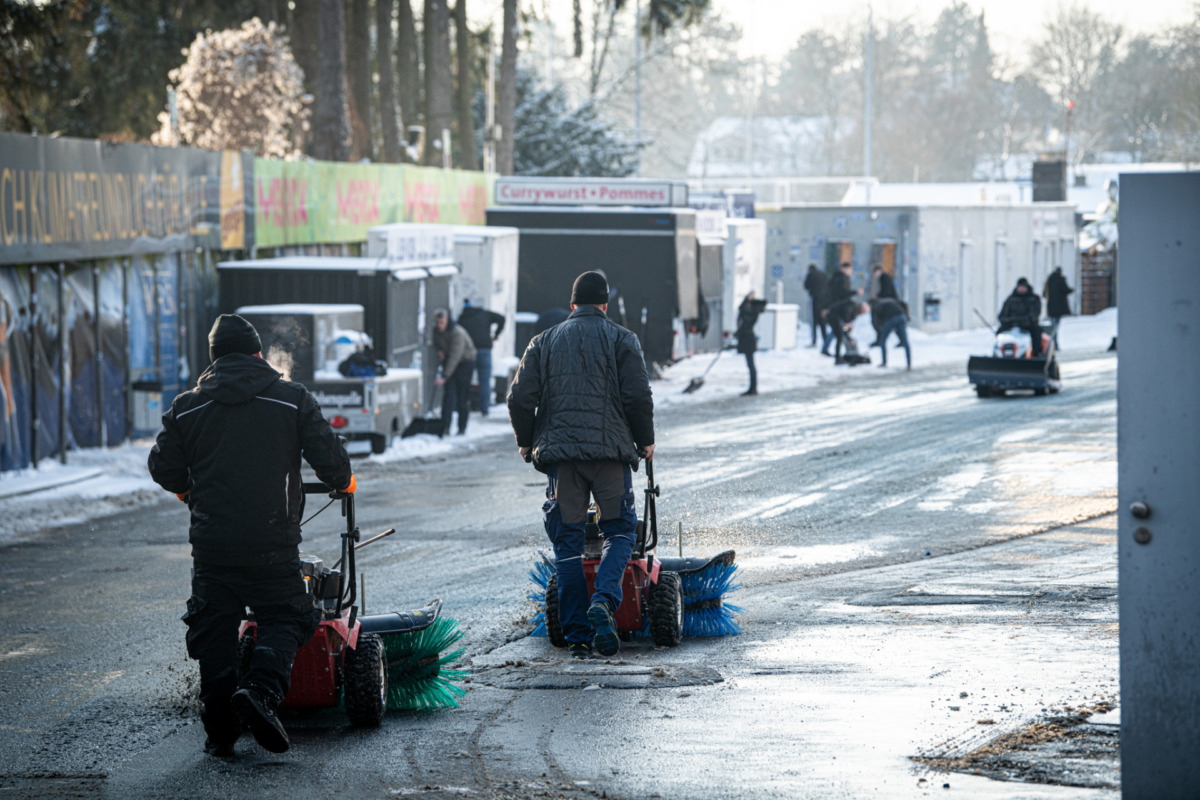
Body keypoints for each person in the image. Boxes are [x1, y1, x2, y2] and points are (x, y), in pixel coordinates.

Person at [147, 314, 353, 758]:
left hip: (212, 545)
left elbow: (162, 467)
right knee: (288, 615)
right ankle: (259, 691)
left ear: (214, 359)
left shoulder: (187, 406)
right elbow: (329, 455)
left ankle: (220, 729)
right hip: (271, 542)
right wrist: (344, 481)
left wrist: (188, 490)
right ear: (258, 354)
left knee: (214, 627)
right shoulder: (291, 398)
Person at [507, 271, 655, 660]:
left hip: (563, 461)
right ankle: (605, 599)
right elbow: (638, 395)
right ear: (605, 305)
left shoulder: (544, 340)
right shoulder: (623, 338)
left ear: (572, 305)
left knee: (568, 544)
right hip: (610, 456)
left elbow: (520, 397)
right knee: (620, 530)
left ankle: (576, 636)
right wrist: (645, 440)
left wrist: (526, 441)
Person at [457, 299, 506, 416]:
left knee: (465, 381)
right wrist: (496, 334)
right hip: (485, 350)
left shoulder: (462, 320)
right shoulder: (484, 314)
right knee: (484, 381)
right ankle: (484, 409)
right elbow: (502, 318)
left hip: (468, 352)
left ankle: (464, 407)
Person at [433, 309, 478, 436]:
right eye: (438, 322)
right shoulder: (436, 331)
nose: (440, 325)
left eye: (442, 322)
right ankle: (445, 427)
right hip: (450, 362)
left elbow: (455, 356)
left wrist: (445, 376)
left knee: (462, 396)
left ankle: (461, 427)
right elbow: (437, 343)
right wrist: (440, 351)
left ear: (447, 321)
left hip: (464, 363)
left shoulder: (457, 332)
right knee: (448, 395)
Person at [998, 277, 1044, 357]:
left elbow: (1035, 313)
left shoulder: (1033, 299)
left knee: (1036, 332)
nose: (1021, 289)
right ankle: (999, 353)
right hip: (1012, 324)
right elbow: (1002, 314)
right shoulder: (1011, 299)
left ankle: (1037, 354)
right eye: (1020, 287)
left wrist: (1028, 319)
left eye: (1023, 287)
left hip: (1028, 324)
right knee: (999, 332)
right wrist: (1007, 320)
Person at [735, 292, 769, 396]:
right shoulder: (749, 309)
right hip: (747, 337)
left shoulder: (752, 311)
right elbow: (741, 309)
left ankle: (753, 388)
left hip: (748, 338)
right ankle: (752, 388)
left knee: (751, 365)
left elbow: (744, 312)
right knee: (750, 365)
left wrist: (748, 300)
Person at [821, 262, 858, 355]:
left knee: (838, 330)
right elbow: (843, 293)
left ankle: (829, 348)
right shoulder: (842, 279)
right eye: (849, 270)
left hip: (836, 306)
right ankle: (846, 350)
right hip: (840, 307)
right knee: (839, 330)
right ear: (845, 269)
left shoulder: (835, 277)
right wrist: (854, 293)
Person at [870, 297, 911, 370]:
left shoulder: (875, 306)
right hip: (901, 316)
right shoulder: (890, 300)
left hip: (890, 320)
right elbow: (904, 304)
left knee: (883, 341)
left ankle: (884, 362)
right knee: (905, 341)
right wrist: (907, 316)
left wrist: (879, 331)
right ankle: (909, 364)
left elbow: (875, 321)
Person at [825, 298, 863, 364]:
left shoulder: (853, 313)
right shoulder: (852, 306)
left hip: (836, 319)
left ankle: (838, 358)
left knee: (840, 336)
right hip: (833, 317)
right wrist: (847, 322)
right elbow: (846, 312)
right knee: (839, 338)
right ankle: (837, 359)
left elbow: (845, 328)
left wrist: (848, 337)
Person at [1042, 267, 1073, 348]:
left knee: (1052, 325)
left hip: (1051, 307)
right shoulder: (1060, 280)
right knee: (1055, 326)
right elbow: (1065, 290)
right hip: (1059, 307)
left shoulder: (1049, 280)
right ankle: (1054, 343)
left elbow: (1044, 293)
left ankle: (1052, 343)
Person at [803, 264, 829, 347]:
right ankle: (825, 340)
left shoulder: (810, 274)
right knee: (823, 321)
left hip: (815, 299)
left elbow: (806, 286)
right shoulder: (824, 274)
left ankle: (814, 341)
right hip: (824, 300)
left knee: (814, 321)